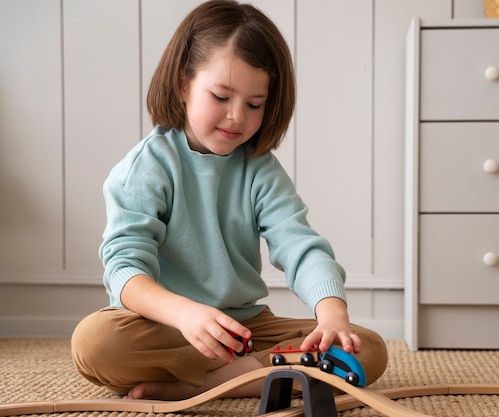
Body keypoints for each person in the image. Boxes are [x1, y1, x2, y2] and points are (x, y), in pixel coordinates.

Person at [71, 0, 388, 401]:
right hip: (167, 326)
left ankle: (212, 383)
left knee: (367, 348)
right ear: (183, 83)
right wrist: (186, 315)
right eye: (221, 96)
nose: (237, 117)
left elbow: (299, 245)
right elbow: (124, 269)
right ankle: (255, 377)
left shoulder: (259, 168)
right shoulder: (146, 168)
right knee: (95, 343)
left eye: (254, 104)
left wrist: (331, 313)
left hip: (246, 328)